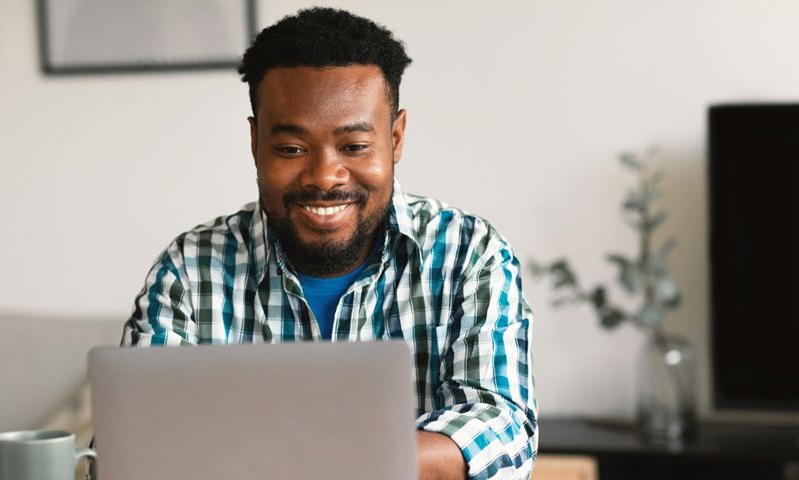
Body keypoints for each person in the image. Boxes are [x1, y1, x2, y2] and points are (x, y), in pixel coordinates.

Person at [123, 7, 537, 480]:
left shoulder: (470, 254)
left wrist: (293, 456)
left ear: (395, 137)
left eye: (354, 147)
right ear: (255, 142)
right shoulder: (190, 268)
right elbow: (133, 444)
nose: (324, 177)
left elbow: (501, 435)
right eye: (291, 149)